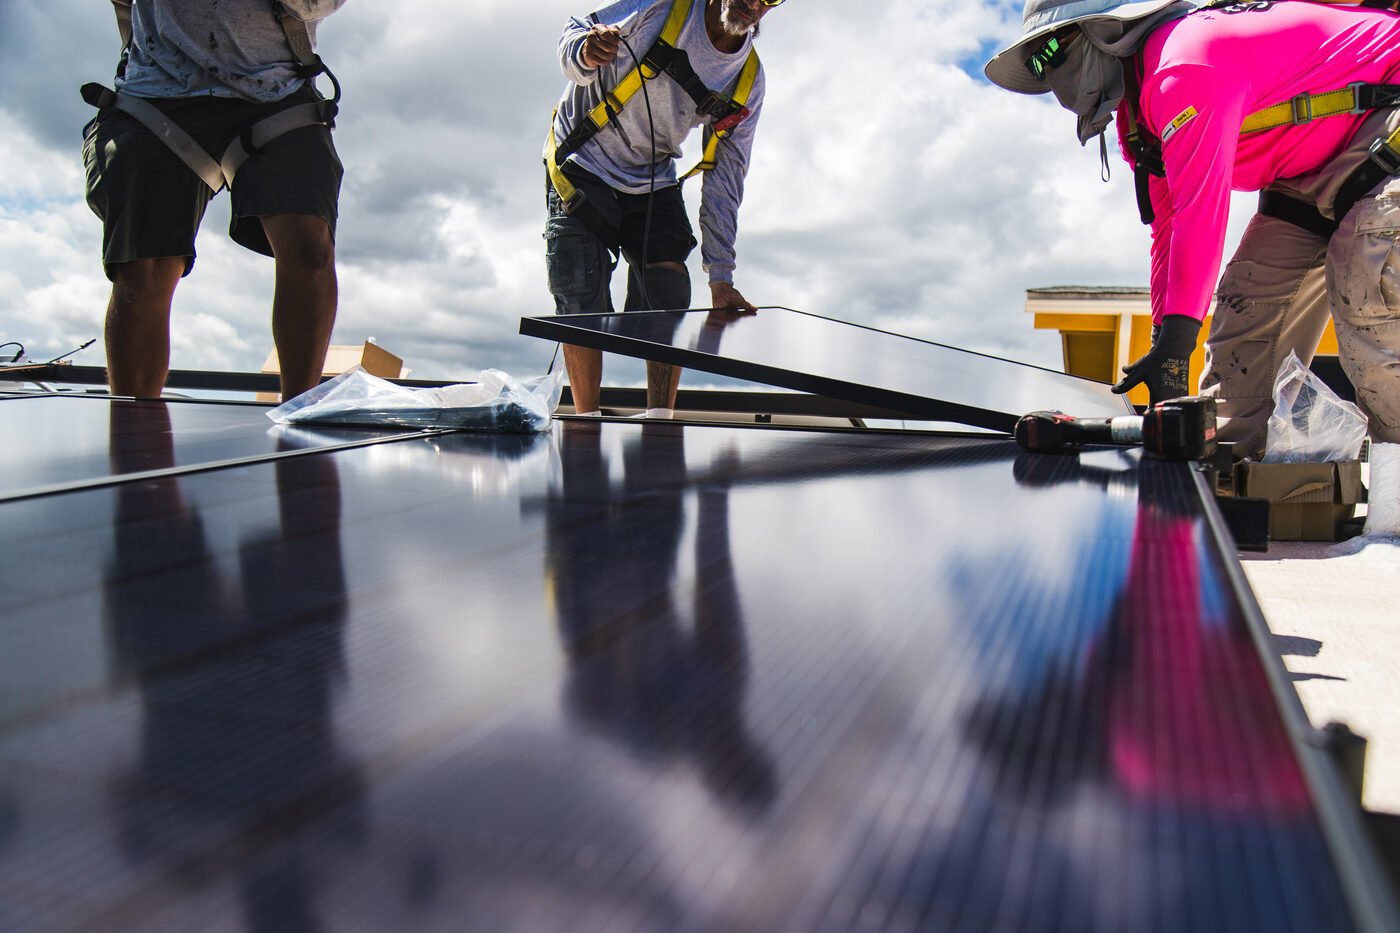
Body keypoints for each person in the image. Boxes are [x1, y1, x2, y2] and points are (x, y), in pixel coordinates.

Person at [985, 0, 1400, 536]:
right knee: (1246, 318)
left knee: (1370, 274)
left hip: (1386, 124)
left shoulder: (1182, 66)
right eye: (1035, 68)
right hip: (1315, 160)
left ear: (1107, 32)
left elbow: (1205, 211)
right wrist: (1167, 358)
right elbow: (1169, 230)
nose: (1048, 80)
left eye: (1050, 55)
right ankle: (1221, 496)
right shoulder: (1140, 123)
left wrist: (1180, 335)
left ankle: (1394, 513)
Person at [83, 0, 346, 401]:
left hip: (277, 91)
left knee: (309, 245)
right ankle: (133, 435)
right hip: (155, 95)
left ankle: (300, 415)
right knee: (142, 268)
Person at [544, 0, 778, 418]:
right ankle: (587, 424)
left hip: (651, 175)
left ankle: (659, 425)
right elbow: (575, 32)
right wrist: (585, 50)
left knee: (668, 292)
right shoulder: (659, 7)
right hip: (584, 159)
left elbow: (726, 177)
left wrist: (721, 276)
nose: (755, 2)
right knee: (582, 299)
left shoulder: (746, 81)